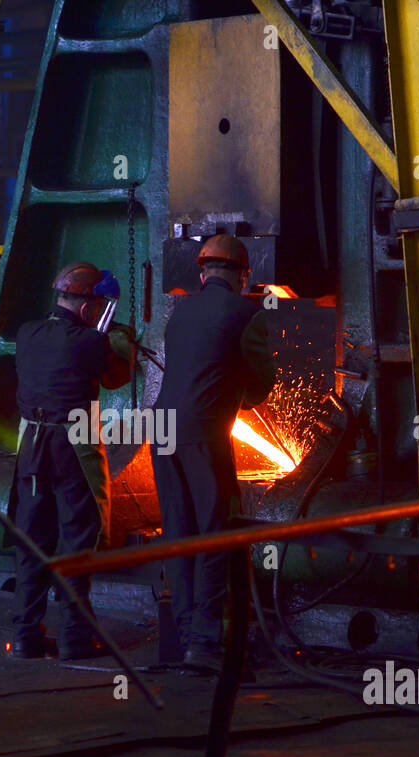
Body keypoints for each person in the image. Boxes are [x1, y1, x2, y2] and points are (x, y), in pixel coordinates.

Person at [151, 234, 276, 673]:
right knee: (214, 534)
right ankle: (205, 645)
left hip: (162, 429)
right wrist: (240, 394)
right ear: (244, 275)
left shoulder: (179, 313)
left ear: (202, 273)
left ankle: (185, 636)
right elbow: (259, 386)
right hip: (204, 433)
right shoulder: (247, 312)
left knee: (179, 533)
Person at [8, 262, 135, 660]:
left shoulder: (27, 333)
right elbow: (117, 378)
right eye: (97, 307)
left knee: (32, 540)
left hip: (31, 446)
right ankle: (75, 639)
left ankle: (26, 637)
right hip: (73, 446)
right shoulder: (91, 342)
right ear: (87, 307)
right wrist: (120, 342)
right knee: (77, 540)